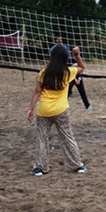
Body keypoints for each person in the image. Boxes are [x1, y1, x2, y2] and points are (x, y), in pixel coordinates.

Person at [27, 45, 87, 176]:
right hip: (61, 110)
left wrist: (30, 109)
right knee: (67, 137)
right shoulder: (68, 72)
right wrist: (77, 55)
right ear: (66, 58)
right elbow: (82, 67)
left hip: (44, 110)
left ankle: (40, 168)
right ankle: (77, 165)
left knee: (42, 139)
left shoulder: (44, 72)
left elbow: (37, 90)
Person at [51, 37, 93, 111]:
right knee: (65, 92)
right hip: (69, 77)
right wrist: (73, 79)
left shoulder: (74, 59)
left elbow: (81, 69)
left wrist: (79, 78)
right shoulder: (64, 63)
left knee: (82, 91)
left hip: (77, 77)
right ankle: (59, 105)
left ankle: (87, 106)